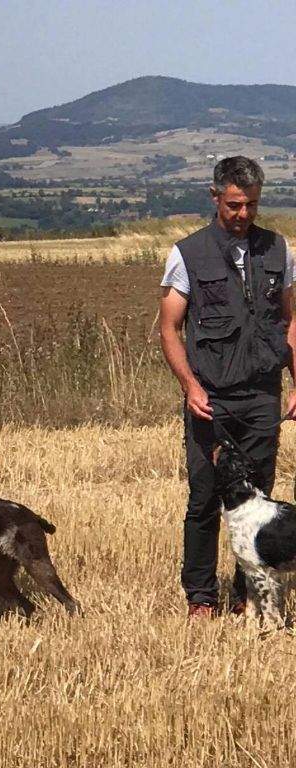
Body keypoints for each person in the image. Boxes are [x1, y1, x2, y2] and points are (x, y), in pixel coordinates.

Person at [159, 155, 296, 617]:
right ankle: (200, 596)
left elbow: (291, 320)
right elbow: (168, 329)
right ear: (216, 197)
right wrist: (189, 386)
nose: (243, 214)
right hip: (210, 396)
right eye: (235, 205)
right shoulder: (187, 253)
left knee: (257, 497)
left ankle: (247, 595)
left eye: (252, 205)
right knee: (203, 497)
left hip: (262, 394)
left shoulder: (279, 249)